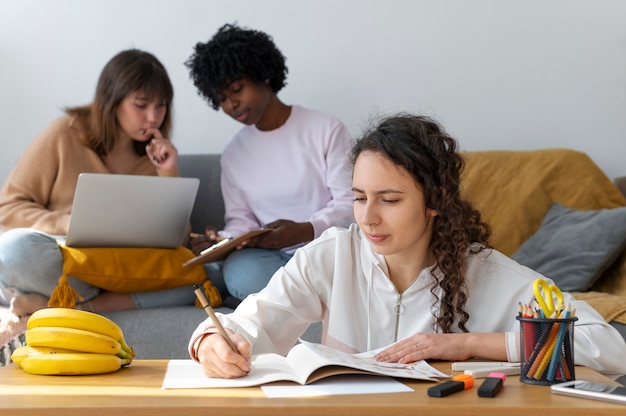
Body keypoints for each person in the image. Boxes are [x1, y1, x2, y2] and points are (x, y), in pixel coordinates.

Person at [188, 113, 626, 379]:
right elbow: (253, 322)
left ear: (435, 200)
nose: (368, 217)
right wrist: (213, 341)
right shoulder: (331, 255)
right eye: (359, 198)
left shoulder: (488, 274)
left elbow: (608, 348)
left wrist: (465, 344)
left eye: (390, 200)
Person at [0, 49, 197, 316]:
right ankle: (100, 301)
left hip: (122, 270)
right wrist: (68, 223)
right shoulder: (64, 133)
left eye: (161, 105)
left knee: (207, 276)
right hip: (69, 266)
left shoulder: (155, 157)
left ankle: (73, 306)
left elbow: (178, 240)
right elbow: (7, 209)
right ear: (111, 101)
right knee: (14, 251)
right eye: (141, 105)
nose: (153, 117)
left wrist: (168, 171)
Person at [185, 24, 354, 303]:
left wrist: (305, 229)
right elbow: (242, 220)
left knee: (332, 265)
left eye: (237, 90)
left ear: (264, 74)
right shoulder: (233, 154)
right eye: (222, 99)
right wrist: (221, 240)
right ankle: (308, 297)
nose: (231, 105)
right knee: (239, 272)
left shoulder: (326, 129)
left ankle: (283, 299)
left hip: (328, 248)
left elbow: (351, 205)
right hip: (269, 257)